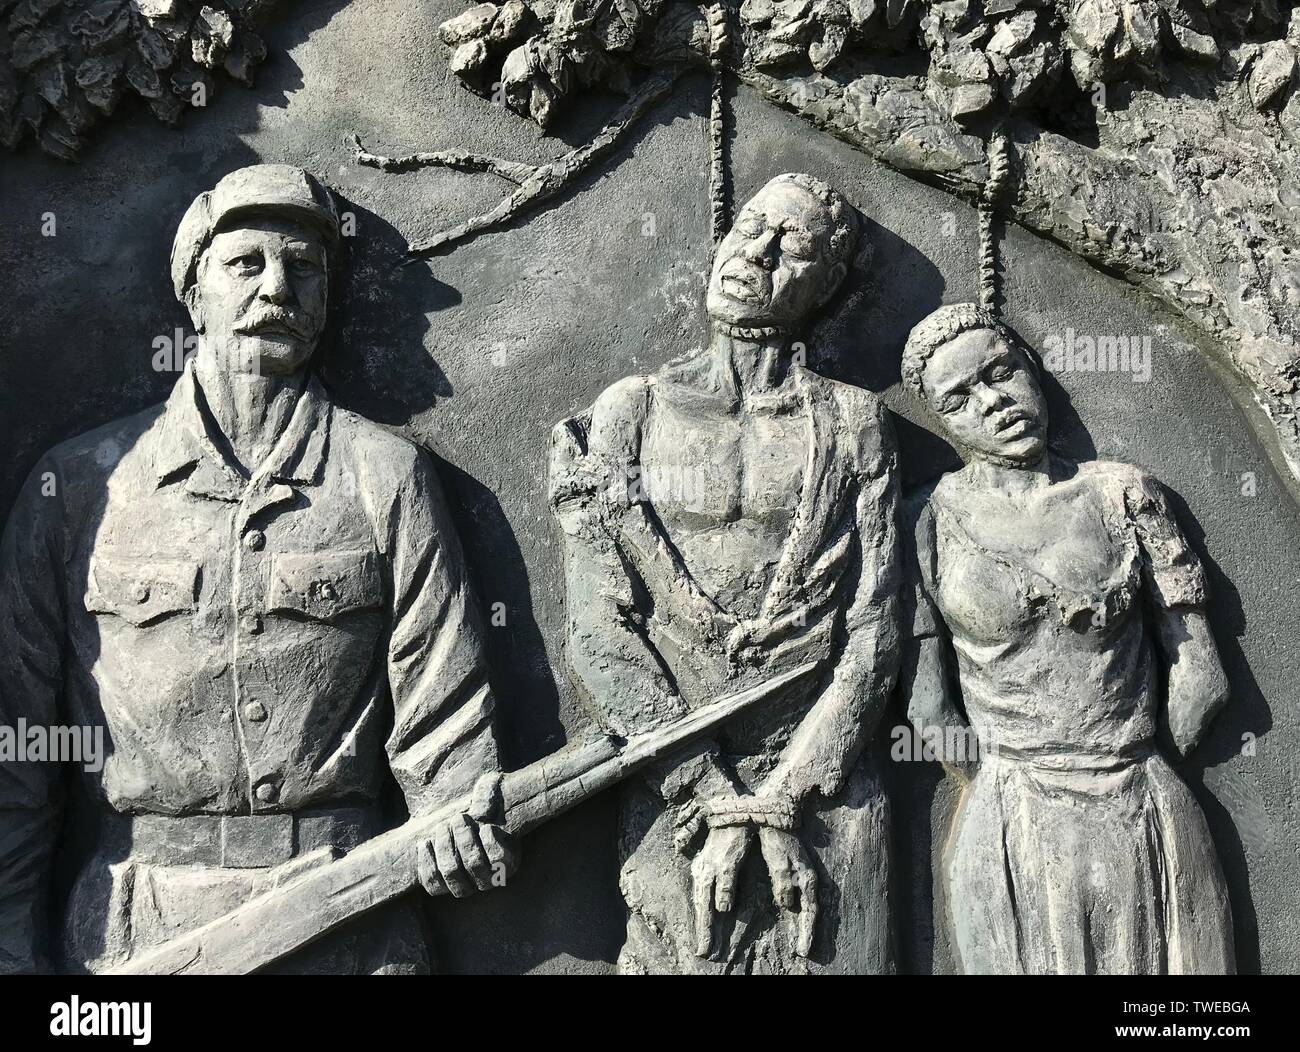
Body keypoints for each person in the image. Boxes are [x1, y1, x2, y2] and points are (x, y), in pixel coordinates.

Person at [0, 164, 515, 974]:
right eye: (247, 263)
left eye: (304, 267)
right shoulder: (81, 489)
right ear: (193, 289)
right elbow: (17, 754)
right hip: (143, 932)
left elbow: (445, 722)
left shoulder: (386, 475)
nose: (278, 286)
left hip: (349, 922)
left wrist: (461, 815)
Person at [550, 174, 901, 973]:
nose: (757, 251)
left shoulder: (856, 424)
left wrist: (783, 798)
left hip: (824, 789)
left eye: (792, 244)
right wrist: (710, 795)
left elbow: (875, 627)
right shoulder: (628, 411)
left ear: (827, 285)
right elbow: (600, 628)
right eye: (750, 227)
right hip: (671, 784)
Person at [900, 301, 1235, 974]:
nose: (993, 403)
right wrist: (1007, 781)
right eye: (959, 399)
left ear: (1031, 367)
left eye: (1000, 372)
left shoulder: (1124, 493)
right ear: (942, 420)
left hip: (1141, 802)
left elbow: (1201, 670)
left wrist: (1129, 763)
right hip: (1010, 820)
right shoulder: (924, 524)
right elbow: (928, 708)